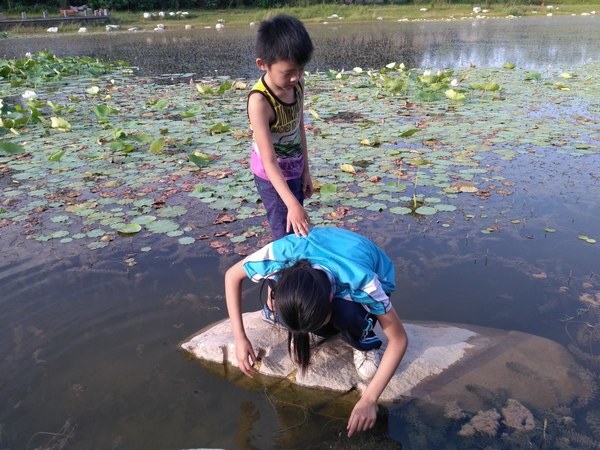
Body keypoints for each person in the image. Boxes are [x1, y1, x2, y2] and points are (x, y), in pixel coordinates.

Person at [225, 227, 408, 438]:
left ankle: (364, 341)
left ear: (331, 297)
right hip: (312, 258)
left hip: (363, 265)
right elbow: (232, 276)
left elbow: (399, 340)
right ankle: (285, 312)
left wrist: (369, 399)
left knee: (347, 314)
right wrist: (240, 337)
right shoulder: (281, 253)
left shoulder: (361, 282)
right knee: (287, 309)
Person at [248, 14, 314, 239]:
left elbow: (299, 126)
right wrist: (292, 203)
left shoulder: (297, 85)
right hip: (271, 177)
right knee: (285, 234)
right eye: (288, 73)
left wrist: (306, 170)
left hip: (294, 167)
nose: (296, 77)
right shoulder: (259, 102)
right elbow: (268, 161)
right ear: (262, 64)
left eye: (301, 69)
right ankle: (284, 272)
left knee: (299, 229)